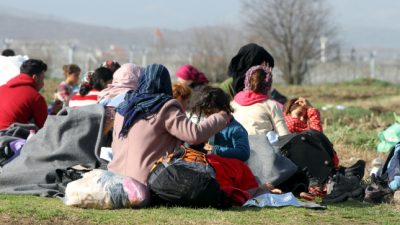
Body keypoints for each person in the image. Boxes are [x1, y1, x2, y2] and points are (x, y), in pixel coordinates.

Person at [108, 64, 230, 186]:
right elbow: (194, 135)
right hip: (146, 182)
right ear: (166, 83)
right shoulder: (164, 107)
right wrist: (221, 117)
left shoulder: (123, 108)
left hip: (115, 180)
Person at [190, 86, 250, 162]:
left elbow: (243, 153)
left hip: (229, 170)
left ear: (223, 108)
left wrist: (215, 149)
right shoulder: (211, 125)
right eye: (206, 114)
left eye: (210, 113)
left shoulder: (236, 129)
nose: (208, 117)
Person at [231, 65, 289, 136]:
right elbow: (284, 135)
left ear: (246, 82)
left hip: (236, 145)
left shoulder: (233, 103)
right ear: (268, 85)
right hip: (261, 145)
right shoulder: (271, 105)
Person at [0, 59, 48, 129]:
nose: (43, 84)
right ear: (35, 78)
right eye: (42, 79)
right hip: (10, 136)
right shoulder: (36, 97)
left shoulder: (1, 88)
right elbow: (45, 127)